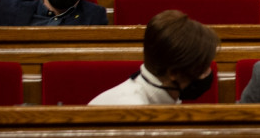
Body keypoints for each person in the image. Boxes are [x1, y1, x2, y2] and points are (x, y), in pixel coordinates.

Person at [89, 10, 220, 105]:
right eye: (202, 68)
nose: (208, 72)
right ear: (174, 73)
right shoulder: (132, 110)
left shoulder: (165, 96)